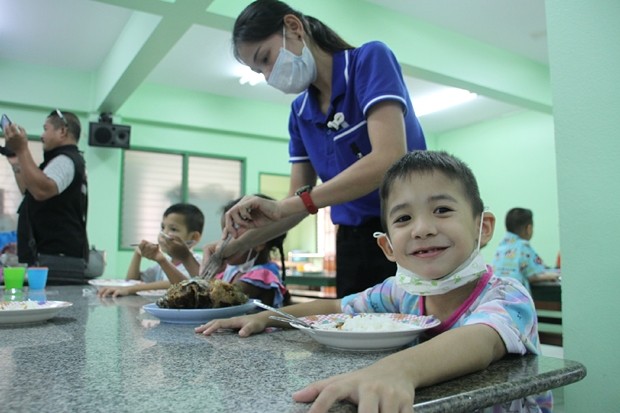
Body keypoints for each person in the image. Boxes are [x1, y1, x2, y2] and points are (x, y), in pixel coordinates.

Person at [196, 150, 552, 413]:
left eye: (442, 210)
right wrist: (270, 317)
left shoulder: (507, 294)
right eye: (404, 218)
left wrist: (396, 370)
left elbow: (480, 341)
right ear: (387, 245)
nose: (423, 228)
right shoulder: (401, 292)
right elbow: (338, 306)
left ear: (482, 227)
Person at [205, 0, 427, 298]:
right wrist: (231, 248)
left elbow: (389, 159)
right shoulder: (300, 114)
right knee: (355, 335)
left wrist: (291, 205)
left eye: (266, 58)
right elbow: (295, 206)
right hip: (352, 243)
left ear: (294, 27)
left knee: (415, 331)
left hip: (408, 229)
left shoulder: (369, 60)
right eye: (259, 71)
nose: (269, 75)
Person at [3, 109, 90, 284]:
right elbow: (30, 191)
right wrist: (17, 161)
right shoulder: (57, 161)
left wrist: (22, 149)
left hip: (58, 258)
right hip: (49, 256)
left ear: (63, 131)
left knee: (57, 311)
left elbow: (41, 191)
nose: (42, 135)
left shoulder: (66, 160)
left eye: (45, 129)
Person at [97, 203, 204, 298]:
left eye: (173, 229)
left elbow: (175, 283)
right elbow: (132, 281)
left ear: (194, 237)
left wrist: (130, 289)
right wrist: (137, 254)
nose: (163, 234)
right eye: (163, 227)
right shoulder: (163, 263)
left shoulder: (198, 264)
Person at [214, 195, 290, 308]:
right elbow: (202, 287)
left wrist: (187, 257)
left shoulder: (264, 274)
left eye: (230, 235)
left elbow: (218, 298)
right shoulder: (232, 271)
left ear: (258, 242)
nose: (223, 241)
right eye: (223, 234)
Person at [492, 207, 560, 292]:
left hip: (497, 292)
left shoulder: (502, 245)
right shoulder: (523, 246)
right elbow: (532, 276)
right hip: (516, 295)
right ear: (529, 228)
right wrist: (551, 276)